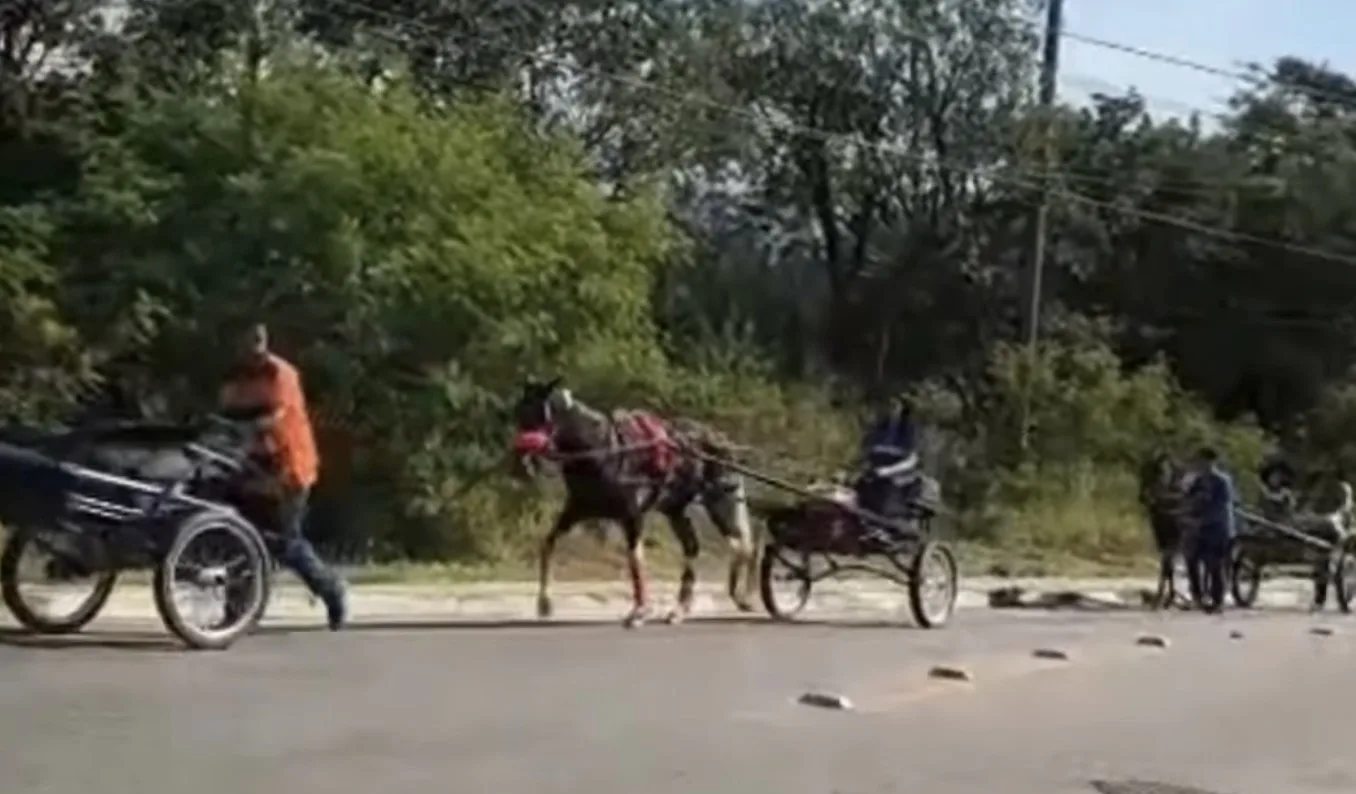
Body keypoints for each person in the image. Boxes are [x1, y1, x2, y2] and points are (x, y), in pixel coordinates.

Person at [220, 323, 347, 630]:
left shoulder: (281, 374)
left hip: (288, 468)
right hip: (252, 466)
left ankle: (331, 590)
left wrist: (241, 433)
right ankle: (239, 610)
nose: (253, 347)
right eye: (247, 341)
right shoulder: (235, 375)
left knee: (287, 542)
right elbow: (225, 410)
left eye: (258, 340)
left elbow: (274, 416)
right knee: (239, 536)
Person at [854, 395, 922, 529]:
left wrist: (887, 472)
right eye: (888, 405)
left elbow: (912, 460)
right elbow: (866, 454)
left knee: (886, 495)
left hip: (899, 478)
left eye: (895, 405)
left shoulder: (911, 431)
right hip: (874, 475)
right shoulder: (878, 430)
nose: (890, 409)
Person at [1185, 446, 1236, 613]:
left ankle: (1217, 600)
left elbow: (1221, 506)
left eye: (1203, 461)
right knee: (1191, 559)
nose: (1200, 464)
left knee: (1214, 564)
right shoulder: (1198, 482)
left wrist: (1202, 520)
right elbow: (1189, 500)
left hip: (1218, 528)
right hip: (1200, 527)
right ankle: (1197, 596)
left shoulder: (1221, 481)